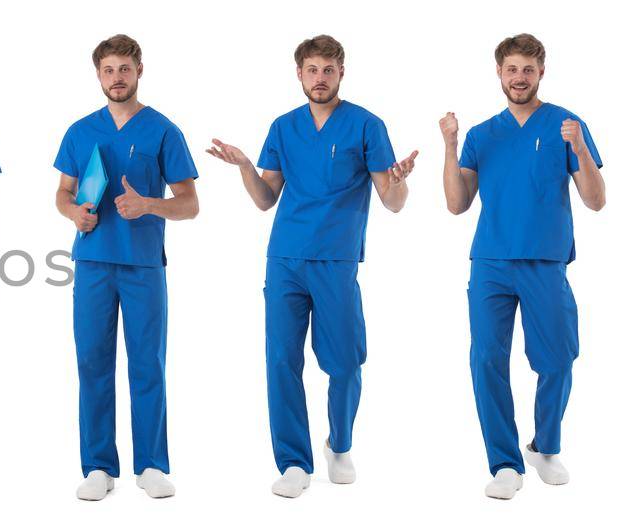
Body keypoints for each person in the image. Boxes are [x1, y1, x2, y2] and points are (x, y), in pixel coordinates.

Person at [206, 34, 416, 499]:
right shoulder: (283, 128)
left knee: (343, 362)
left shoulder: (366, 125)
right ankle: (294, 462)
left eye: (328, 70)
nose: (319, 79)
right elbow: (266, 200)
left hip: (336, 260)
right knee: (281, 360)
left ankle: (339, 445)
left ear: (341, 73)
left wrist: (399, 181)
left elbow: (393, 202)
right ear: (298, 74)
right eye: (311, 70)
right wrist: (244, 167)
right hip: (284, 259)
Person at [438, 33, 605, 500]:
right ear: (499, 73)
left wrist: (582, 150)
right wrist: (449, 146)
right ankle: (505, 463)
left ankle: (544, 447)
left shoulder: (566, 125)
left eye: (528, 70)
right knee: (487, 361)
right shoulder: (481, 135)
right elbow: (456, 204)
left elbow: (596, 200)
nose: (519, 78)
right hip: (491, 260)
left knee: (557, 359)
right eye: (511, 69)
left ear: (541, 73)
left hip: (545, 261)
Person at [53, 34, 198, 501]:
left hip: (142, 266)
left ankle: (152, 464)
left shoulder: (162, 131)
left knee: (147, 364)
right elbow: (62, 193)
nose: (117, 78)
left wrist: (149, 205)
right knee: (93, 363)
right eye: (108, 70)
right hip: (93, 262)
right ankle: (98, 466)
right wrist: (74, 212)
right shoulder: (80, 131)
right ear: (98, 75)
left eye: (125, 69)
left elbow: (190, 204)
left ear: (140, 71)